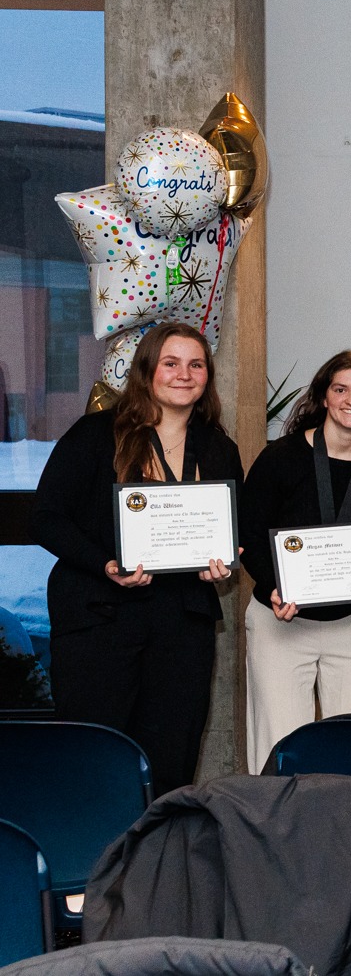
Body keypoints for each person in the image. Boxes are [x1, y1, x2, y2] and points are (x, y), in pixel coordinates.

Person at [32, 323, 242, 792]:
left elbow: (229, 533)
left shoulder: (218, 449)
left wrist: (222, 565)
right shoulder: (94, 434)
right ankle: (93, 861)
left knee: (173, 761)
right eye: (171, 363)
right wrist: (106, 564)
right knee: (94, 759)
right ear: (147, 370)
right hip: (98, 619)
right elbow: (45, 518)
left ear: (208, 375)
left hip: (181, 627)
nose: (183, 374)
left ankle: (160, 860)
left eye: (196, 364)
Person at [238, 351, 351, 772]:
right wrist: (272, 587)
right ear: (324, 397)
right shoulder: (281, 457)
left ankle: (347, 832)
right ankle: (274, 833)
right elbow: (250, 534)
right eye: (341, 389)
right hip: (282, 621)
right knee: (279, 745)